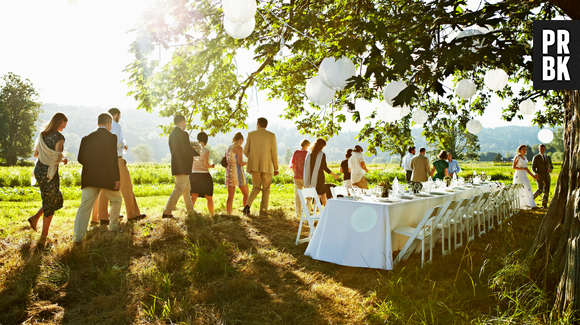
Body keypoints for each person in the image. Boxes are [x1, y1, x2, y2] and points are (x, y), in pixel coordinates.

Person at [73, 113, 122, 242]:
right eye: (110, 124)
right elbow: (112, 159)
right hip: (107, 178)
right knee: (116, 200)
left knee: (84, 207)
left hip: (89, 177)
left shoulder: (86, 138)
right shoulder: (112, 137)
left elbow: (80, 158)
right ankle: (113, 228)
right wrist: (117, 178)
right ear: (108, 123)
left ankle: (78, 238)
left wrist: (92, 166)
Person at [94, 108, 145, 224]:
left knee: (105, 188)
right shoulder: (116, 125)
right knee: (127, 186)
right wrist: (123, 145)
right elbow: (114, 143)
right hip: (116, 159)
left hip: (104, 161)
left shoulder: (99, 128)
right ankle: (132, 214)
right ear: (116, 115)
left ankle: (103, 216)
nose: (119, 118)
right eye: (119, 116)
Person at [28, 113, 68, 242]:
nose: (65, 126)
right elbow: (56, 156)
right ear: (60, 121)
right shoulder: (59, 137)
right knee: (51, 200)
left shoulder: (42, 135)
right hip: (49, 173)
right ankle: (44, 235)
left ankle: (35, 218)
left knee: (53, 198)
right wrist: (63, 160)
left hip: (39, 170)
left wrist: (52, 156)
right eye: (64, 123)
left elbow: (36, 154)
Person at [162, 115, 199, 219]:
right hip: (183, 165)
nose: (186, 124)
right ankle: (167, 211)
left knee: (187, 189)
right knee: (178, 189)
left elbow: (179, 149)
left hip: (177, 165)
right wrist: (195, 151)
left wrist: (188, 148)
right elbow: (186, 149)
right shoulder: (183, 134)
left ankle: (191, 211)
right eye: (185, 122)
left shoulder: (172, 134)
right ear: (182, 122)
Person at [243, 117, 279, 216]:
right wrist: (276, 167)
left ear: (258, 124)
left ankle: (247, 206)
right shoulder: (271, 135)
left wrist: (252, 158)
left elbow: (245, 151)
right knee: (266, 189)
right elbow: (274, 153)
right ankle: (263, 212)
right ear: (266, 125)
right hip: (267, 166)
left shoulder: (251, 134)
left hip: (254, 165)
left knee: (256, 187)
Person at [303, 138, 339, 206]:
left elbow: (305, 165)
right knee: (320, 194)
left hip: (310, 177)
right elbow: (324, 167)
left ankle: (321, 209)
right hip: (319, 177)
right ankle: (319, 209)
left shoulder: (309, 154)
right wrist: (334, 174)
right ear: (321, 146)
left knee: (322, 194)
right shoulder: (322, 154)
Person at [190, 132, 215, 214]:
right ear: (206, 140)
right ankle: (212, 214)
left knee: (193, 197)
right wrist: (211, 166)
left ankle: (189, 214)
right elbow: (205, 164)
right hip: (204, 176)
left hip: (193, 174)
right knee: (209, 197)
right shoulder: (205, 150)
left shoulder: (193, 149)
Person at [226, 132, 249, 215]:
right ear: (240, 140)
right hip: (238, 172)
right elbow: (240, 162)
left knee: (230, 196)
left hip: (229, 172)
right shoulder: (239, 148)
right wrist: (248, 162)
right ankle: (245, 213)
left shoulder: (228, 148)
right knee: (246, 193)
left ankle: (228, 214)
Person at [513, 144, 539, 209]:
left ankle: (530, 204)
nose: (524, 151)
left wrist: (533, 176)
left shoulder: (525, 158)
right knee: (519, 189)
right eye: (523, 149)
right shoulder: (517, 157)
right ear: (520, 150)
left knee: (528, 187)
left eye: (525, 149)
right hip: (519, 175)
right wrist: (522, 168)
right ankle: (519, 205)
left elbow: (526, 168)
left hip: (524, 175)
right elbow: (514, 167)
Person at [289, 139, 310, 217]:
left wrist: (295, 172)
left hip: (297, 176)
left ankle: (297, 212)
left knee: (298, 195)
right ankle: (307, 211)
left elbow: (293, 164)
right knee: (308, 194)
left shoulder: (296, 152)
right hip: (305, 176)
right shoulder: (308, 153)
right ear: (307, 145)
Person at [532, 144, 553, 209]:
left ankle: (544, 205)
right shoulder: (536, 157)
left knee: (546, 191)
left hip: (547, 177)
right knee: (540, 190)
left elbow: (551, 166)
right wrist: (536, 174)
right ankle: (530, 200)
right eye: (541, 149)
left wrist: (550, 169)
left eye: (543, 148)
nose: (542, 150)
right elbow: (533, 167)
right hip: (540, 176)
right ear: (539, 149)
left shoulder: (548, 157)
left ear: (545, 149)